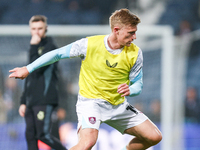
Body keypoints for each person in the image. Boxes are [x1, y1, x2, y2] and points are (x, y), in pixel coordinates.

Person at [9, 9, 162, 150]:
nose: (134, 37)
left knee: (154, 136)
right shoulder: (89, 44)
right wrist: (28, 68)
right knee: (87, 143)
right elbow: (58, 54)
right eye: (131, 33)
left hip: (117, 105)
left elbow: (138, 85)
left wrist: (131, 89)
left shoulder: (135, 53)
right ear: (116, 30)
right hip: (91, 103)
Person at [16, 15, 67, 150]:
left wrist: (33, 46)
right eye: (33, 28)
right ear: (30, 29)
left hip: (44, 99)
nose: (36, 32)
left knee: (43, 135)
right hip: (31, 100)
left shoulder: (50, 47)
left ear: (46, 29)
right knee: (30, 135)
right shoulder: (34, 48)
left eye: (40, 28)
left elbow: (37, 69)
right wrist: (23, 101)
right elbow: (30, 76)